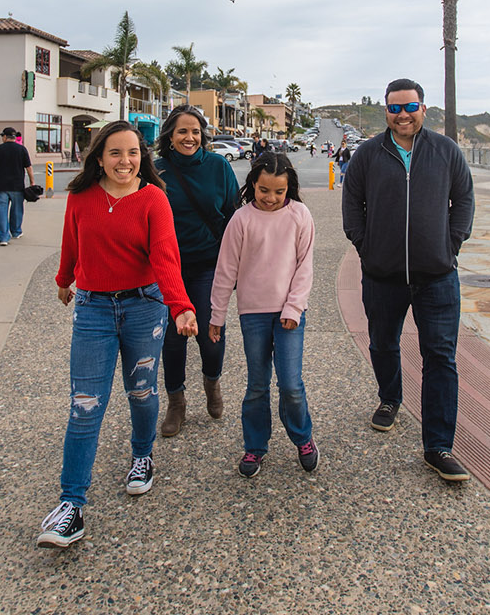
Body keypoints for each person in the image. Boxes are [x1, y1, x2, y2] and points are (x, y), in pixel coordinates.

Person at [38, 121, 198, 549]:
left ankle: (142, 455)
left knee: (141, 392)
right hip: (93, 309)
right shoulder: (81, 197)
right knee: (85, 405)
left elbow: (165, 257)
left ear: (142, 157)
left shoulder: (153, 199)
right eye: (115, 153)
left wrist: (180, 305)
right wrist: (64, 279)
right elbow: (71, 242)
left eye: (132, 153)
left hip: (143, 307)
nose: (124, 161)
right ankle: (71, 505)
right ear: (99, 157)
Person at [341, 78, 475, 483]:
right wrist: (367, 247)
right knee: (382, 343)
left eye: (410, 107)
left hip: (437, 276)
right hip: (382, 276)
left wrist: (451, 244)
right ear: (386, 111)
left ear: (423, 109)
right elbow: (352, 203)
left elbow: (463, 199)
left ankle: (438, 446)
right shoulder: (368, 154)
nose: (402, 115)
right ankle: (390, 398)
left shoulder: (446, 151)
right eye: (394, 108)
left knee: (440, 357)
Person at [209, 152, 317, 478]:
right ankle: (255, 446)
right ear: (253, 184)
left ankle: (303, 438)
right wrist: (217, 316)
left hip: (289, 314)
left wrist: (294, 307)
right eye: (264, 190)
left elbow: (305, 267)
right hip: (253, 314)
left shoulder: (300, 215)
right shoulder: (241, 219)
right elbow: (225, 271)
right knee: (257, 384)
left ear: (289, 188)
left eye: (279, 192)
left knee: (291, 384)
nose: (271, 198)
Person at [153, 105, 239, 437]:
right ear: (170, 136)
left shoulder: (218, 166)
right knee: (172, 339)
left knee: (210, 334)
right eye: (182, 131)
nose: (189, 137)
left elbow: (233, 216)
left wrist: (235, 266)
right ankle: (176, 403)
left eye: (195, 131)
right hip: (168, 269)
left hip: (209, 265)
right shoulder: (156, 170)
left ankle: (212, 383)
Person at [0, 126, 34, 246]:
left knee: (1, 211)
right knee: (17, 210)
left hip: (1, 186)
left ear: (5, 137)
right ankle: (16, 231)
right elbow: (28, 167)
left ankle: (3, 237)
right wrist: (32, 181)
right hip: (17, 186)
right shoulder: (22, 149)